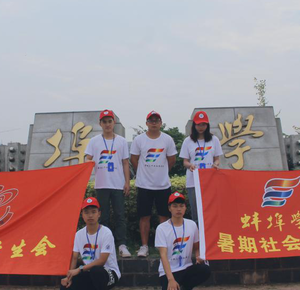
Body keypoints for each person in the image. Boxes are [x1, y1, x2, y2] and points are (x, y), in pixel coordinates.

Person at [60, 197, 121, 290]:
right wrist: (69, 277)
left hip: (109, 274)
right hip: (89, 272)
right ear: (82, 215)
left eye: (93, 212)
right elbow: (74, 257)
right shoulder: (79, 234)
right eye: (86, 212)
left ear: (99, 214)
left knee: (96, 271)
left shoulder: (106, 233)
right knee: (65, 288)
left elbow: (102, 261)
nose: (90, 215)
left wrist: (79, 269)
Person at [130, 111, 178, 257]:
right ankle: (144, 246)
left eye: (157, 120)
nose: (154, 123)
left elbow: (172, 160)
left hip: (163, 185)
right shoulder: (139, 140)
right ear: (147, 123)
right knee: (144, 216)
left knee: (164, 216)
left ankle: (163, 245)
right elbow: (134, 159)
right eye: (151, 120)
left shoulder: (167, 139)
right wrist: (142, 173)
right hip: (144, 185)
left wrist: (162, 172)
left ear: (161, 123)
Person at [85, 110, 132, 258]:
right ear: (100, 124)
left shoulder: (121, 141)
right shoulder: (94, 141)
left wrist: (127, 182)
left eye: (109, 121)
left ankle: (122, 245)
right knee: (103, 216)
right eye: (104, 122)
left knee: (120, 215)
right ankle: (104, 245)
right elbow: (88, 159)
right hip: (101, 184)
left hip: (118, 184)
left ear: (114, 123)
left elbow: (125, 163)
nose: (107, 124)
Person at [155, 192, 211, 290]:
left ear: (185, 208)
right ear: (169, 208)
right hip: (169, 272)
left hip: (186, 268)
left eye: (181, 206)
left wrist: (198, 256)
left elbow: (197, 247)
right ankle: (169, 288)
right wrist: (170, 279)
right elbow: (163, 255)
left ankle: (186, 289)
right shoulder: (162, 228)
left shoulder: (192, 225)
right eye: (175, 206)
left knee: (205, 269)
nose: (178, 209)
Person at [179, 110, 223, 224]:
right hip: (193, 181)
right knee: (196, 211)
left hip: (210, 180)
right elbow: (185, 162)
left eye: (203, 124)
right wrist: (190, 165)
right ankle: (198, 234)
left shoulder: (214, 139)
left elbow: (217, 159)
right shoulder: (188, 141)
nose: (201, 127)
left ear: (207, 125)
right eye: (198, 124)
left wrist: (215, 164)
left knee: (211, 210)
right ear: (194, 125)